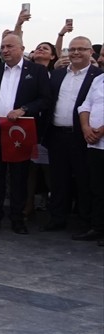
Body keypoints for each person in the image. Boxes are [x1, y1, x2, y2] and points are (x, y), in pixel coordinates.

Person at [0, 33, 51, 234]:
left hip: (20, 132)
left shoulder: (36, 71)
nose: (5, 50)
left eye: (10, 46)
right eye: (2, 47)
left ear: (22, 48)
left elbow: (45, 99)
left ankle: (17, 218)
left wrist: (24, 109)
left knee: (19, 177)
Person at [41, 36, 100, 232]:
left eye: (81, 49)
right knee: (58, 179)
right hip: (57, 134)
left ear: (91, 52)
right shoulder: (57, 75)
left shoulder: (97, 76)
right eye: (72, 49)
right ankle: (57, 218)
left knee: (84, 180)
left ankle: (85, 221)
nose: (75, 52)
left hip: (83, 136)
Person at [75, 72, 104, 244]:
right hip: (94, 143)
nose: (100, 58)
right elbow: (85, 106)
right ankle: (97, 227)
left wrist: (101, 130)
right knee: (97, 188)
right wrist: (86, 127)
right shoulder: (98, 79)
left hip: (99, 136)